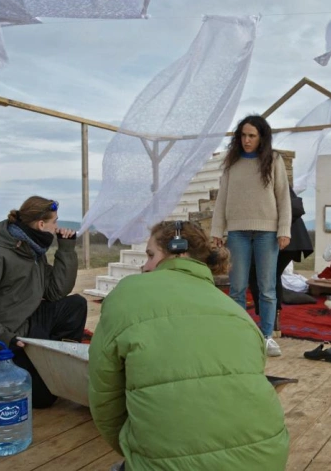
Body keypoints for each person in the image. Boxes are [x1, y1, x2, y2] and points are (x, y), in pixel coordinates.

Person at [88, 220, 289, 470]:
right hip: (267, 460)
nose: (145, 266)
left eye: (150, 255)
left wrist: (135, 450)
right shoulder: (238, 314)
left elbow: (105, 401)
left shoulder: (128, 293)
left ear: (178, 252)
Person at [0, 196, 87, 408]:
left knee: (75, 305)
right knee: (44, 397)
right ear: (41, 224)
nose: (57, 227)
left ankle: (53, 359)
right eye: (55, 222)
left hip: (26, 322)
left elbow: (55, 291)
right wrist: (4, 338)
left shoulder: (32, 251)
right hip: (2, 338)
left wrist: (67, 249)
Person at [210, 115, 291, 358]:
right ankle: (239, 335)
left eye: (252, 136)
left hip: (268, 232)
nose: (247, 140)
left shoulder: (273, 160)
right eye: (243, 135)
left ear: (261, 137)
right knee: (237, 288)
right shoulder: (232, 161)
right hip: (237, 232)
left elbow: (283, 196)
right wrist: (217, 230)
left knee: (267, 288)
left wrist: (284, 229)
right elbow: (222, 197)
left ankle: (266, 337)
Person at [249, 186, 314, 316]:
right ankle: (272, 315)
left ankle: (267, 314)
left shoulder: (271, 182)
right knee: (272, 275)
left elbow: (294, 208)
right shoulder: (277, 183)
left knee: (259, 275)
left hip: (283, 237)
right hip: (292, 238)